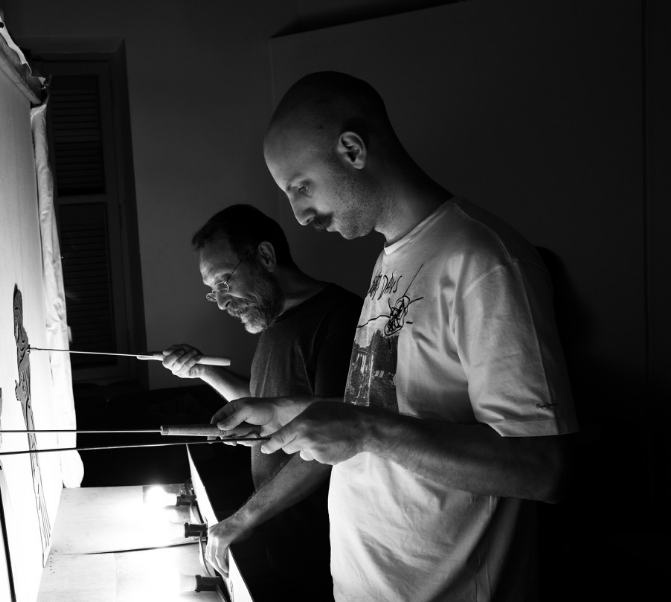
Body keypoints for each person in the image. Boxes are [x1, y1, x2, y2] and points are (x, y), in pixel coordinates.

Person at [213, 72, 579, 602]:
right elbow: (393, 409)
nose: (299, 214)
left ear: (353, 150)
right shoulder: (393, 257)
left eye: (300, 186)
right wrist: (291, 410)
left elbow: (545, 468)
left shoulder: (484, 261)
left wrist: (367, 430)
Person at [161, 204, 362, 600]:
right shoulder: (273, 320)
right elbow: (261, 402)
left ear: (266, 257)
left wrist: (243, 519)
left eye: (224, 281)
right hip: (283, 537)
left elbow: (332, 440)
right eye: (213, 289)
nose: (220, 301)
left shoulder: (339, 318)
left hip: (325, 552)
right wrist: (200, 370)